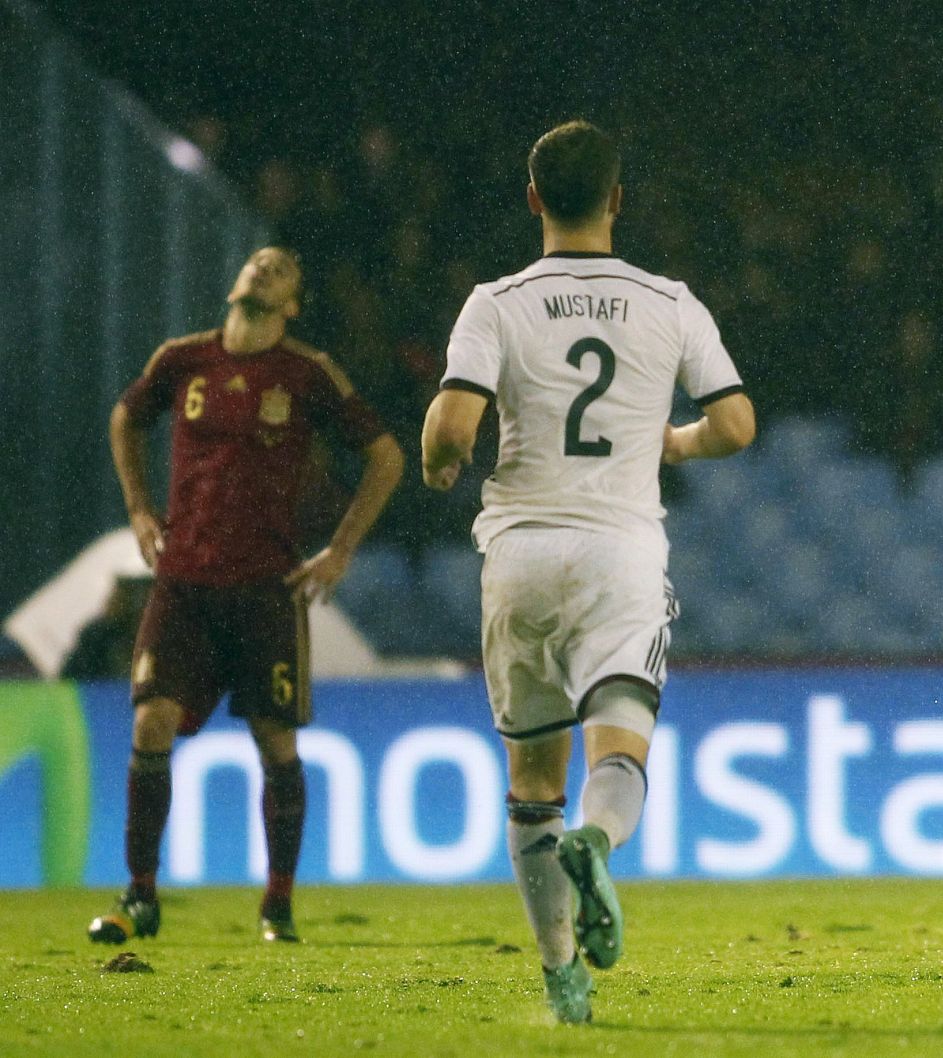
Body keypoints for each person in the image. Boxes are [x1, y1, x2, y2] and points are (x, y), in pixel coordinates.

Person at [421, 120, 755, 1024]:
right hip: (619, 552)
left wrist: (439, 466)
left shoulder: (494, 303)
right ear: (617, 199)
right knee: (621, 746)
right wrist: (670, 446)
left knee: (533, 781)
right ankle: (599, 842)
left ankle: (562, 976)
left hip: (520, 553)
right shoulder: (669, 300)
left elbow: (450, 432)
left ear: (533, 199)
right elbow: (734, 424)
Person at [89, 247, 404, 945]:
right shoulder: (181, 360)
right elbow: (125, 418)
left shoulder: (307, 373)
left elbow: (386, 455)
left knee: (275, 742)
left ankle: (278, 905)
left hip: (267, 588)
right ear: (235, 282)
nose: (263, 270)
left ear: (292, 304)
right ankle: (140, 895)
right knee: (150, 725)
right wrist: (140, 507)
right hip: (184, 583)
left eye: (281, 270)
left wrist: (342, 547)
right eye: (257, 264)